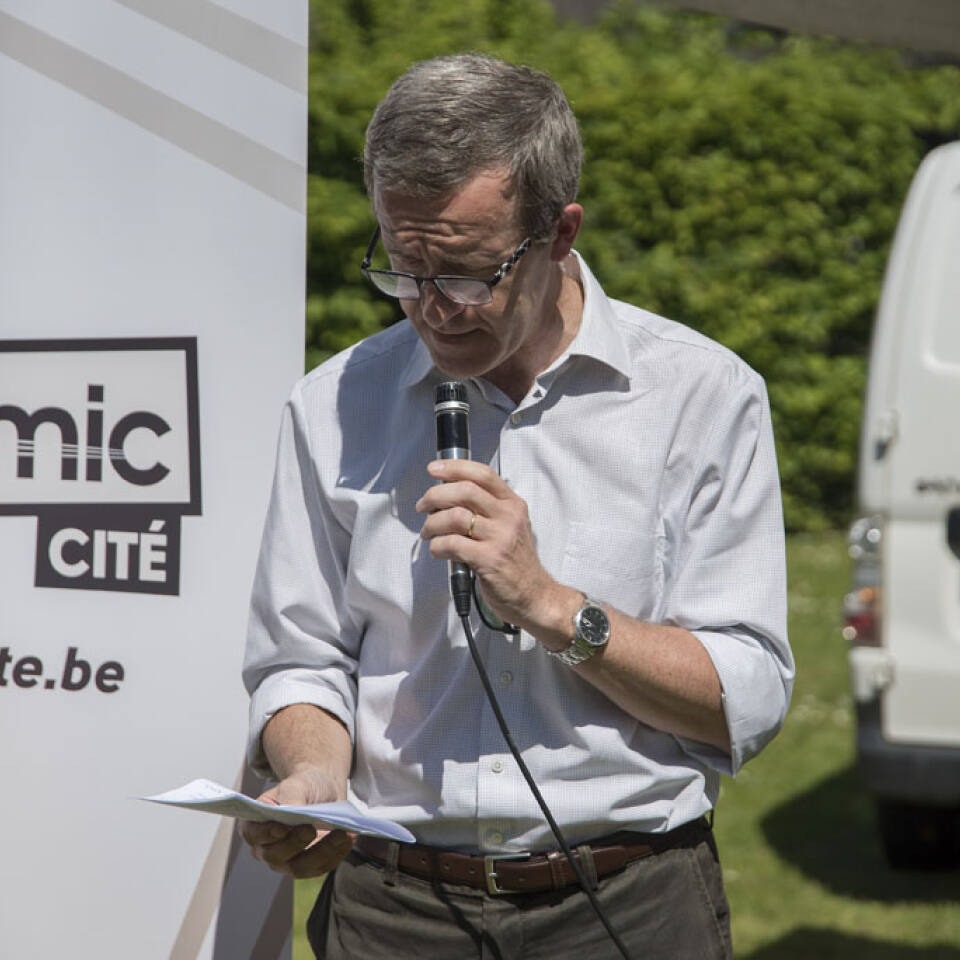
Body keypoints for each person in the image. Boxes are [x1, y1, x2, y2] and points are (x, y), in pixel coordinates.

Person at [240, 53, 793, 960]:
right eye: (404, 268)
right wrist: (312, 776)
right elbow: (302, 659)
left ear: (560, 232)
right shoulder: (334, 403)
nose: (434, 309)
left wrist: (551, 606)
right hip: (394, 908)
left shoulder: (701, 395)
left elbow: (750, 696)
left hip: (628, 900)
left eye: (467, 273)